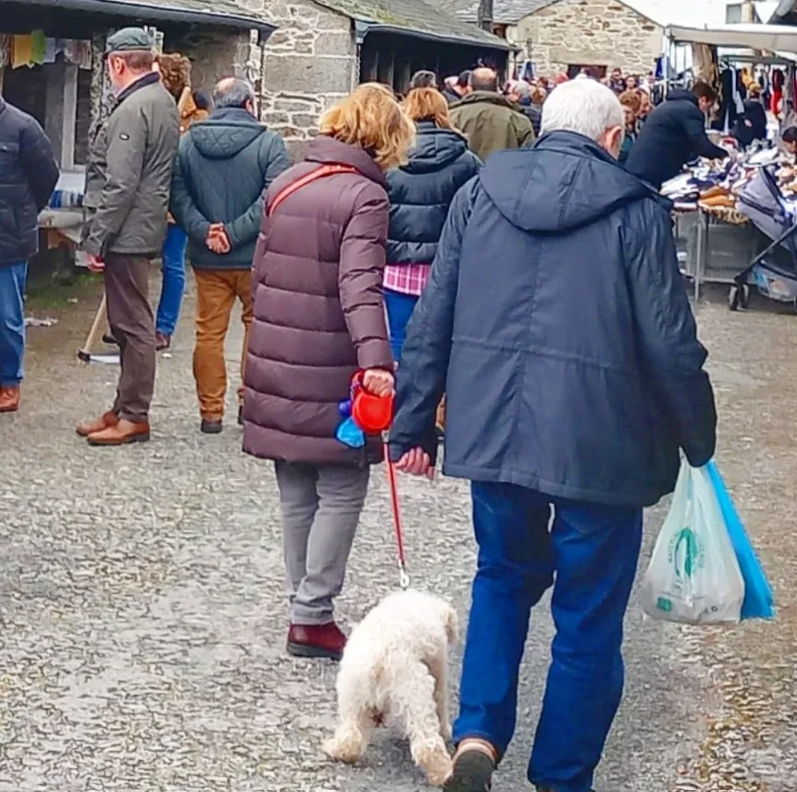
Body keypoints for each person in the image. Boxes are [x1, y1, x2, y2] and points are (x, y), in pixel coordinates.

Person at [389, 78, 717, 792]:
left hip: (495, 430)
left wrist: (411, 421)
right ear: (610, 138)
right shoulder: (636, 212)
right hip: (601, 440)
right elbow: (668, 343)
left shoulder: (478, 195)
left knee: (501, 578)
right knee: (588, 613)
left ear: (543, 126)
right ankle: (562, 774)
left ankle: (477, 735)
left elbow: (432, 313)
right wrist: (698, 438)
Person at [242, 84, 415, 661]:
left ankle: (304, 606)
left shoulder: (285, 183)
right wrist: (377, 362)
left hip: (275, 352)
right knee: (342, 483)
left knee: (295, 486)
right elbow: (359, 286)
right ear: (387, 138)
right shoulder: (365, 196)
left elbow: (260, 274)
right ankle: (312, 614)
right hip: (331, 359)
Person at [170, 77, 289, 434]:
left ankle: (210, 412)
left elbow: (178, 195)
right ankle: (248, 403)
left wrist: (206, 231)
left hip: (209, 257)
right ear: (250, 104)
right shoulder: (270, 143)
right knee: (257, 329)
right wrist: (236, 233)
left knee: (208, 333)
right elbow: (274, 198)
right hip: (255, 255)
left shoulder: (188, 144)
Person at [78, 28, 180, 445]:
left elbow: (120, 184)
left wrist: (95, 238)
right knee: (128, 322)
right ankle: (123, 407)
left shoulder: (133, 108)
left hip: (127, 233)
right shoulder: (161, 101)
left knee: (132, 325)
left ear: (118, 64)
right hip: (139, 227)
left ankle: (134, 414)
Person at [384, 87, 481, 359]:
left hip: (397, 266)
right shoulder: (466, 161)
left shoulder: (389, 157)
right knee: (440, 344)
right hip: (444, 266)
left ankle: (399, 397)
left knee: (398, 339)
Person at [0, 96, 58, 414]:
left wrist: (21, 213)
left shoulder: (22, 127)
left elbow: (46, 176)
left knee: (6, 317)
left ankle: (9, 381)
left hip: (8, 239)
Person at [152, 52, 210, 352]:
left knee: (172, 264)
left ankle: (164, 328)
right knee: (132, 260)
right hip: (151, 199)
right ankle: (132, 326)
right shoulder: (155, 108)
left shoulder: (196, 117)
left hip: (178, 204)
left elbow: (196, 162)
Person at [624, 81, 728, 188]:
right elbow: (701, 145)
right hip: (651, 173)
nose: (708, 111)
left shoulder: (669, 106)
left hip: (640, 168)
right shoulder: (690, 110)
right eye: (709, 106)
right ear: (702, 100)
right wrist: (725, 155)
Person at [449, 67, 535, 162]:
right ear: (496, 88)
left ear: (469, 88)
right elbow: (528, 159)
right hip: (504, 174)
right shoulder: (518, 120)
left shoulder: (451, 116)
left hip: (463, 175)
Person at [618, 89, 641, 163]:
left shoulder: (640, 129)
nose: (624, 115)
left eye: (628, 112)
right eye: (622, 112)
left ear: (636, 113)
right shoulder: (615, 130)